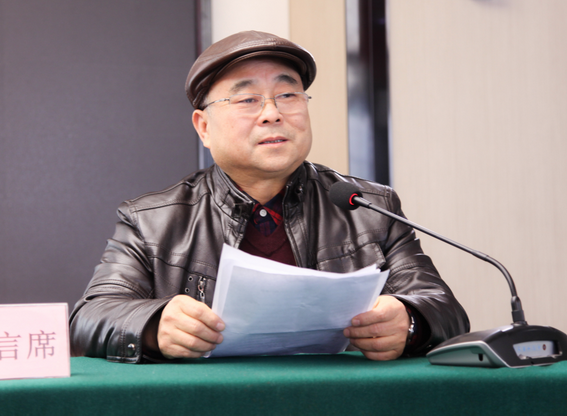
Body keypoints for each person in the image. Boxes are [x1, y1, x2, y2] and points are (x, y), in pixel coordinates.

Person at [69, 30, 469, 363]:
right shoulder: (152, 221)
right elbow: (89, 318)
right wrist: (155, 324)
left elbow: (445, 309)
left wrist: (409, 321)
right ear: (204, 127)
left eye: (288, 95)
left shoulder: (369, 207)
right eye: (247, 100)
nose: (272, 113)